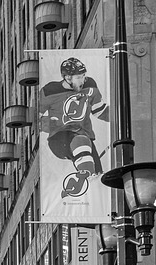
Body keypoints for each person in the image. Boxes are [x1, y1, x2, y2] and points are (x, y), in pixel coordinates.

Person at [37, 56, 109, 198]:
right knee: (81, 143)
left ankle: (90, 198)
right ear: (67, 78)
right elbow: (35, 118)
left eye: (83, 76)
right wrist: (51, 123)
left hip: (84, 139)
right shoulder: (50, 90)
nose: (82, 80)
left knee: (99, 179)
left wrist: (121, 116)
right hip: (59, 139)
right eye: (78, 77)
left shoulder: (90, 86)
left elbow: (99, 111)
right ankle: (83, 179)